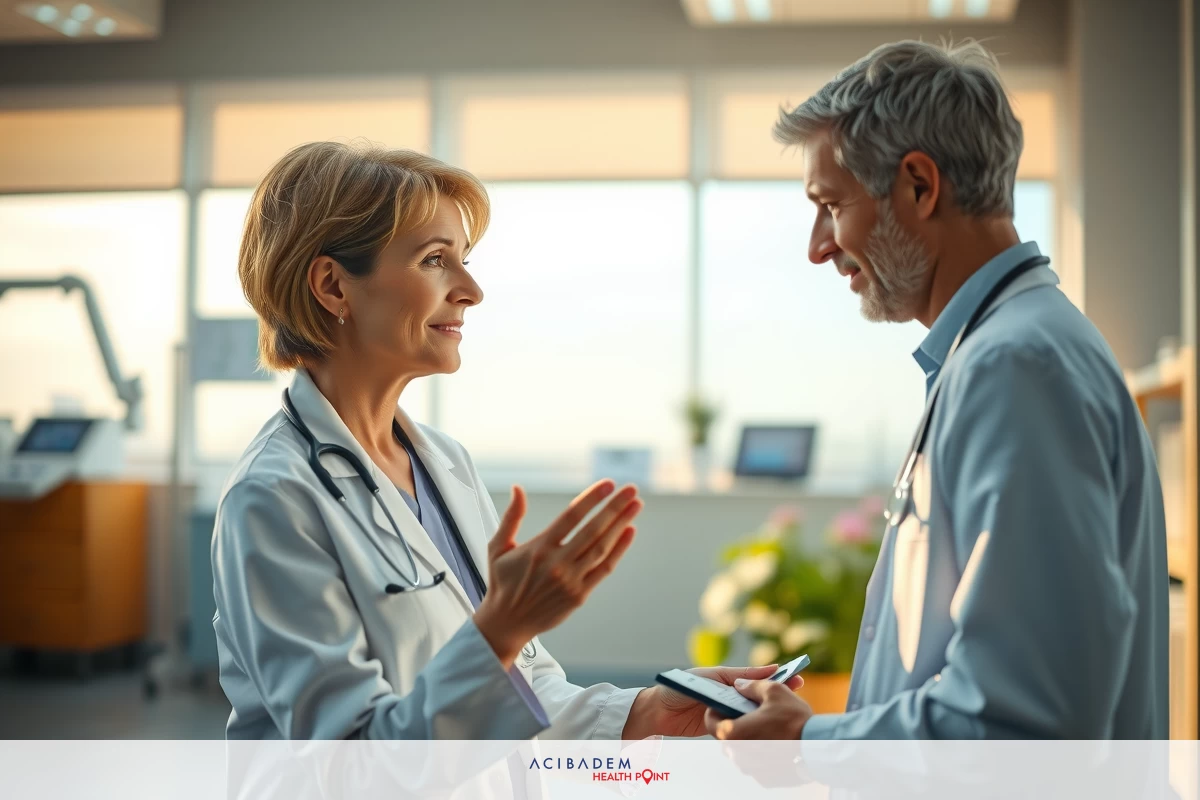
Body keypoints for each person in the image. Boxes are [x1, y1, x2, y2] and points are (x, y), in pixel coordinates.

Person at [211, 141, 788, 742]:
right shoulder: (274, 498)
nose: (470, 289)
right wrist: (502, 630)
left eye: (462, 258)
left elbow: (525, 686)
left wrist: (642, 712)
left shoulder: (444, 464)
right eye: (435, 260)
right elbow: (352, 757)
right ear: (333, 286)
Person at [707, 39, 1169, 740]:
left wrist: (810, 743)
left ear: (920, 186)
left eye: (830, 206)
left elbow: (1024, 721)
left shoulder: (1016, 369)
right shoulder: (1005, 352)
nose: (817, 246)